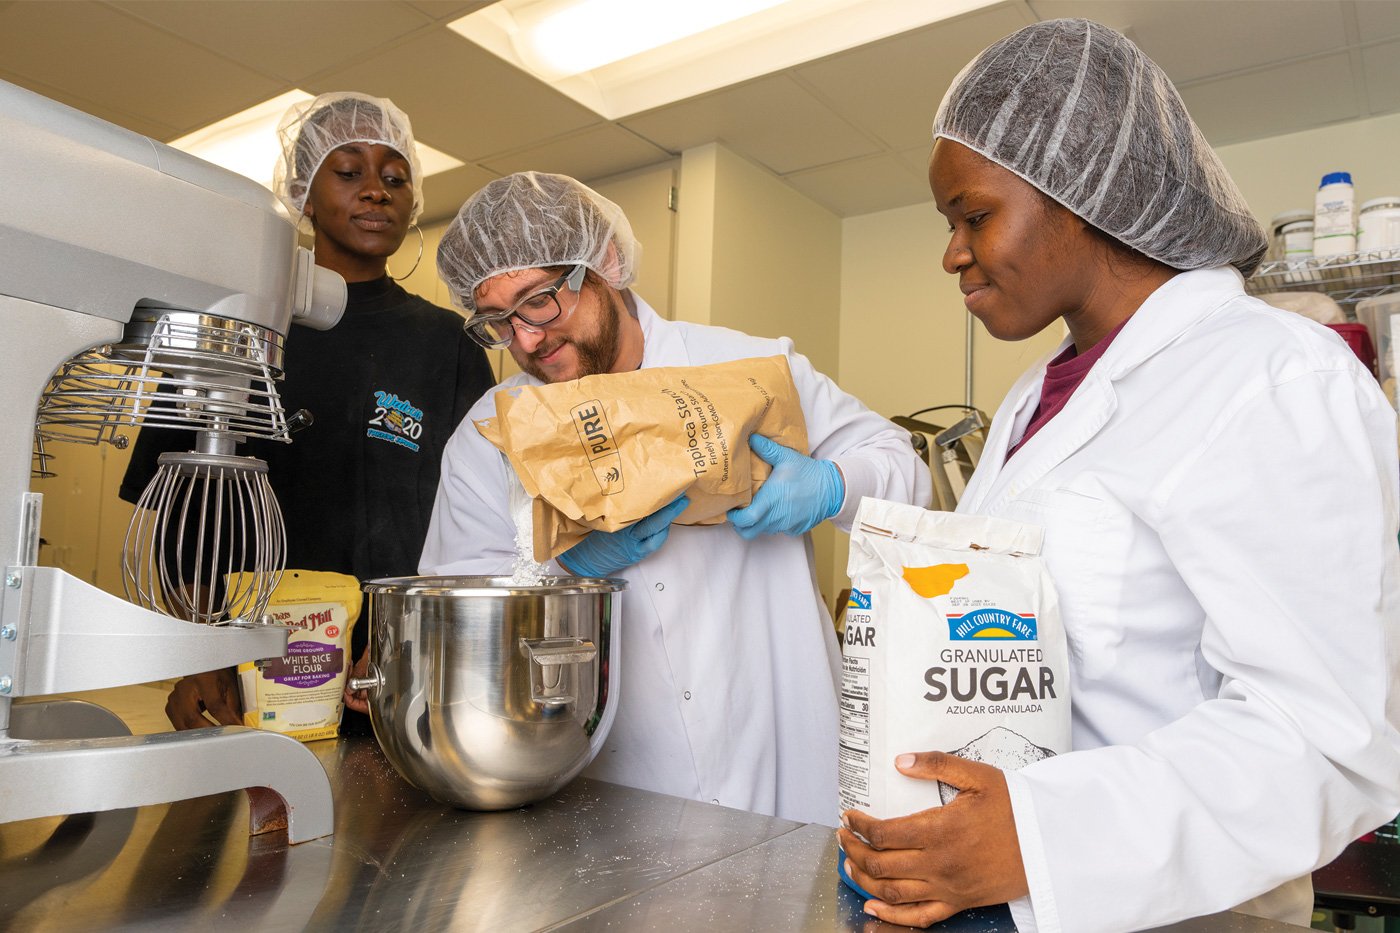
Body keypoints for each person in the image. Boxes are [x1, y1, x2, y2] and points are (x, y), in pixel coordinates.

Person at [836, 18, 1400, 932]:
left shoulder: (1273, 374)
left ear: (1080, 195)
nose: (952, 252)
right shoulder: (1034, 396)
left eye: (973, 215)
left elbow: (1328, 737)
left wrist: (1040, 835)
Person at [418, 171, 932, 826]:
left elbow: (906, 476)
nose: (525, 339)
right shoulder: (490, 439)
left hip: (787, 778)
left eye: (539, 301)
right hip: (618, 799)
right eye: (497, 320)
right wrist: (560, 572)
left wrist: (830, 487)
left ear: (602, 263)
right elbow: (457, 623)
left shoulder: (749, 369)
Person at [120, 92, 496, 733]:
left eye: (394, 177)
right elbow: (177, 506)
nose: (375, 191)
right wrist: (198, 653)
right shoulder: (228, 323)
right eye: (349, 172)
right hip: (240, 670)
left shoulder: (449, 345)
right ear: (302, 192)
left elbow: (475, 520)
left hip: (385, 675)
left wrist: (412, 640)